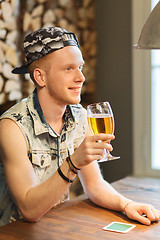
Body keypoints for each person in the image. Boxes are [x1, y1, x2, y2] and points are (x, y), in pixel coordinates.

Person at [0, 27, 159, 227]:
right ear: (41, 77)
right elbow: (29, 210)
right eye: (68, 69)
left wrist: (126, 205)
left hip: (53, 228)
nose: (81, 77)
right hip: (13, 233)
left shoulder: (80, 116)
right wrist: (74, 163)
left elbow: (94, 186)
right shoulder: (12, 127)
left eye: (80, 67)